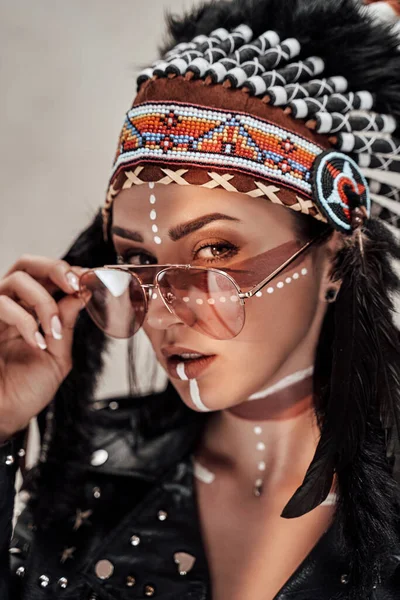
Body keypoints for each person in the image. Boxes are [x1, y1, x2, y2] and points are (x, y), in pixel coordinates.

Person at [1, 0, 400, 598]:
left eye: (216, 251)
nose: (161, 312)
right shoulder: (81, 474)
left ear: (336, 258)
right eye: (137, 261)